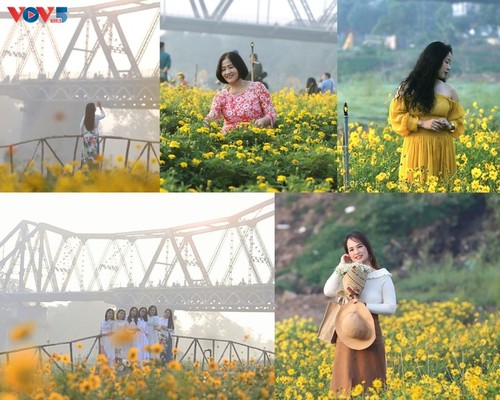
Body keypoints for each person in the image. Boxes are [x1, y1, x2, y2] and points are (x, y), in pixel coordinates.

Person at [323, 231, 396, 396]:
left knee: (372, 382)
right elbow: (328, 291)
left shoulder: (382, 276)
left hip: (370, 331)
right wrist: (341, 266)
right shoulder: (348, 274)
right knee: (344, 383)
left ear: (368, 248)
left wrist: (364, 305)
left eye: (359, 246)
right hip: (347, 332)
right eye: (351, 249)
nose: (356, 252)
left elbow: (391, 307)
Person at [388, 41, 465, 184]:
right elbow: (396, 116)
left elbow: (458, 122)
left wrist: (449, 125)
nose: (449, 67)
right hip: (417, 147)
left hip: (443, 148)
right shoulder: (408, 87)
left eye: (450, 63)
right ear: (435, 61)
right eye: (446, 62)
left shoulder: (450, 91)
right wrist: (423, 123)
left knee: (443, 186)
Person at [204, 51, 276, 134]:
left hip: (255, 137)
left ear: (239, 67)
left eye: (230, 67)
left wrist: (263, 121)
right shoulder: (220, 96)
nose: (227, 72)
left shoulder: (257, 88)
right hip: (229, 140)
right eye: (223, 69)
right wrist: (202, 124)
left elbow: (271, 113)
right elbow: (212, 117)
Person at [80, 101, 105, 169]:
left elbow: (81, 126)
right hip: (94, 136)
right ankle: (94, 167)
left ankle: (84, 165)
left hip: (86, 136)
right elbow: (103, 115)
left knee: (85, 151)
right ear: (94, 109)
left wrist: (82, 134)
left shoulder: (85, 117)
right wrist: (100, 107)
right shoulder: (96, 117)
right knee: (94, 151)